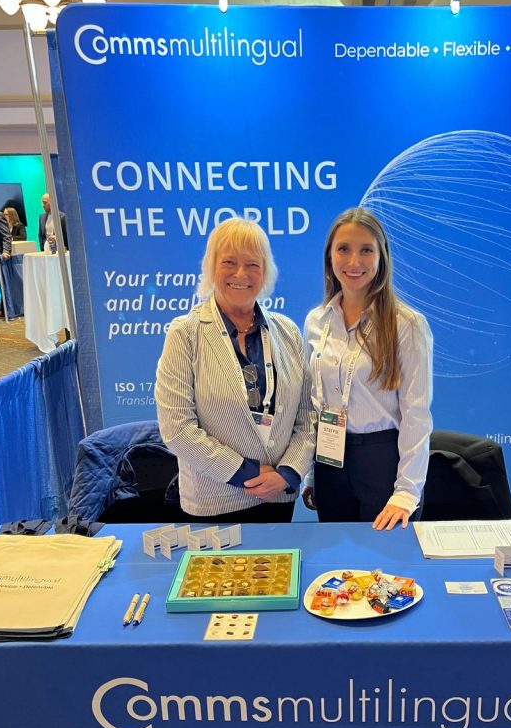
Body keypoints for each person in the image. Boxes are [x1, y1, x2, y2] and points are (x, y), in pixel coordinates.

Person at [156, 218, 316, 523]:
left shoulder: (288, 332)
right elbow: (177, 429)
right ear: (211, 266)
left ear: (265, 271)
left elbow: (307, 416)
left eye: (252, 264)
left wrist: (288, 472)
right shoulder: (185, 334)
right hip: (214, 502)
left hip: (278, 496)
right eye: (229, 261)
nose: (240, 274)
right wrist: (249, 473)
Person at [303, 207, 433, 531]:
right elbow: (315, 405)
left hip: (383, 463)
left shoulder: (407, 325)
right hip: (330, 462)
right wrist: (309, 473)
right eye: (343, 249)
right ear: (329, 257)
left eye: (366, 250)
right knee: (339, 567)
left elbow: (416, 415)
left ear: (381, 257)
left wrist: (406, 493)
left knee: (382, 571)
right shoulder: (316, 322)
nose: (353, 262)